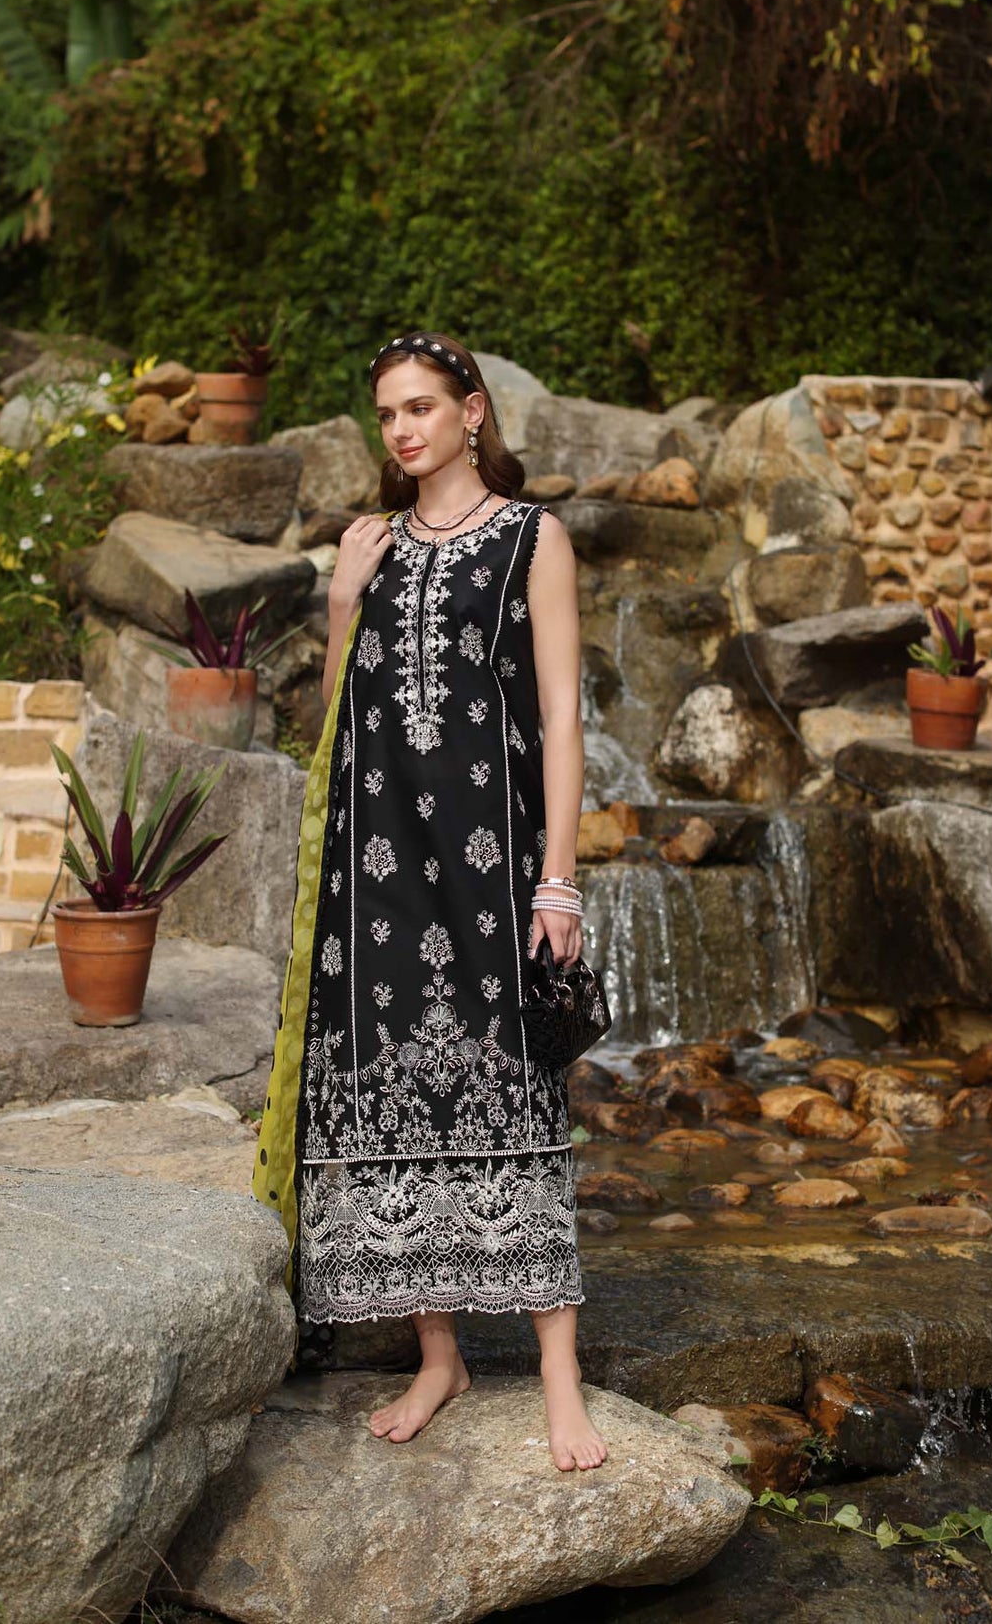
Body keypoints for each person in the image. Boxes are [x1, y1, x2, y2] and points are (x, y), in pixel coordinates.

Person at [253, 331, 606, 1472]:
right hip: (378, 867)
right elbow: (338, 717)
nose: (403, 429)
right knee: (397, 1079)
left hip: (492, 861)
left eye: (421, 407)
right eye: (388, 414)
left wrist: (559, 873)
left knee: (514, 1081)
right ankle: (439, 1354)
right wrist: (343, 596)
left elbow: (561, 716)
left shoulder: (532, 537)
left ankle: (559, 1374)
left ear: (472, 411)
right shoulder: (373, 544)